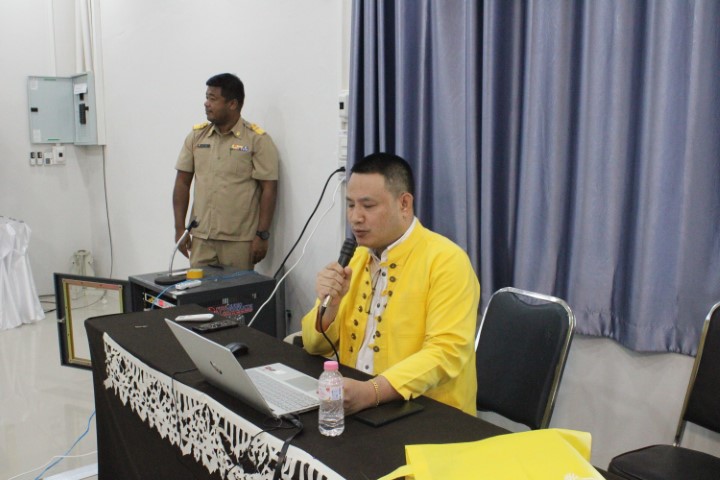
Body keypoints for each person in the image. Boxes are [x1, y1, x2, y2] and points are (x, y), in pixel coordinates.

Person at [301, 152, 480, 416]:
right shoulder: (356, 258)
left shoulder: (446, 261)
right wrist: (331, 307)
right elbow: (313, 344)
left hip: (427, 412)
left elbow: (446, 353)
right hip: (358, 401)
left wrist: (371, 391)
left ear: (404, 204)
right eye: (350, 205)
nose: (356, 217)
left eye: (368, 206)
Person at [173, 73, 279, 269]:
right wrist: (180, 228)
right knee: (198, 289)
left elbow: (269, 189)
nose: (206, 103)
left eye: (212, 99)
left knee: (238, 290)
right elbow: (182, 182)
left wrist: (262, 234)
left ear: (232, 104)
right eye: (206, 97)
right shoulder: (197, 137)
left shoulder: (256, 140)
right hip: (202, 238)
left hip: (239, 241)